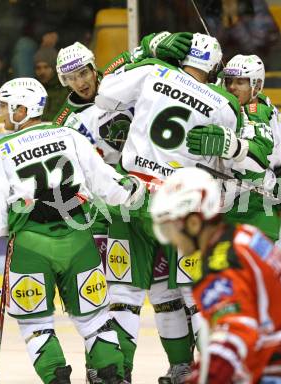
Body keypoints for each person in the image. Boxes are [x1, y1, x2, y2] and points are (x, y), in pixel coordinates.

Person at [96, 32, 281, 382]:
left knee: (124, 293)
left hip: (132, 197)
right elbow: (255, 162)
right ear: (215, 69)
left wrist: (141, 50)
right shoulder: (224, 103)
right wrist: (235, 147)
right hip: (183, 208)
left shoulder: (152, 70)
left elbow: (103, 94)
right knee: (194, 293)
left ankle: (114, 373)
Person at [0, 77, 145, 384]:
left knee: (37, 327)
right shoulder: (69, 135)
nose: (1, 112)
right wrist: (135, 189)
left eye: (5, 106)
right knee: (96, 321)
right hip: (79, 240)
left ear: (22, 109)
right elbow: (111, 187)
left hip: (31, 248)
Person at [52, 33, 195, 383]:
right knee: (122, 293)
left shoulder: (121, 80)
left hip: (165, 198)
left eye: (83, 72)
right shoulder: (67, 123)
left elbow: (142, 55)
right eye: (70, 78)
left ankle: (183, 367)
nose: (80, 82)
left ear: (93, 67)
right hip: (121, 211)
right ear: (62, 81)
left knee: (167, 291)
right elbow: (67, 171)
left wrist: (153, 43)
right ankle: (116, 369)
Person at [150, 167, 281, 384]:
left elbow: (233, 337)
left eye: (171, 230)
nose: (171, 240)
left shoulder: (222, 263)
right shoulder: (244, 235)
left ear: (193, 223)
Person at [187, 54, 281, 242]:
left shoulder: (258, 112)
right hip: (236, 203)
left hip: (257, 205)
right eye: (229, 81)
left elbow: (255, 161)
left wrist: (231, 147)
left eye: (240, 82)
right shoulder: (253, 105)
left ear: (256, 85)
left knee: (254, 268)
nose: (232, 87)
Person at [33, 47, 69, 121]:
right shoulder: (32, 90)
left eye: (46, 67)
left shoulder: (66, 89)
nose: (42, 72)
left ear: (55, 68)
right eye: (38, 68)